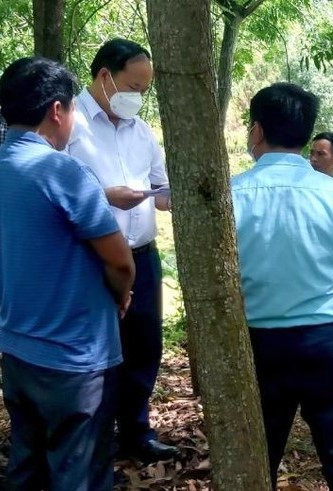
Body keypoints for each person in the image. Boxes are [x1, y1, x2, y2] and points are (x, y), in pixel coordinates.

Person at [0, 57, 135, 490]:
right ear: (57, 110)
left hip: (17, 347)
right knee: (80, 473)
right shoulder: (63, 171)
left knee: (27, 464)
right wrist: (122, 293)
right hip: (75, 357)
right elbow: (120, 261)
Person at [232, 83, 333, 489]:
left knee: (259, 454)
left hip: (258, 344)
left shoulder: (231, 194)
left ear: (257, 130)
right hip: (326, 342)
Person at [65, 38, 178, 461]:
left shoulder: (142, 132)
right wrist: (104, 197)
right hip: (89, 258)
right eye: (133, 87)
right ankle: (91, 441)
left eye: (145, 90)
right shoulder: (69, 125)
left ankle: (136, 432)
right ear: (104, 76)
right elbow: (54, 192)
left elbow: (162, 191)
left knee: (144, 346)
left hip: (142, 256)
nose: (138, 97)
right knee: (93, 351)